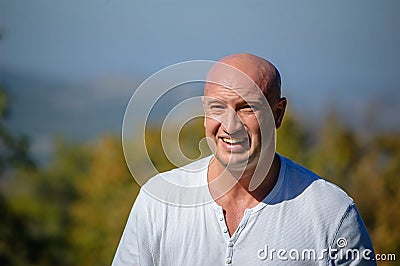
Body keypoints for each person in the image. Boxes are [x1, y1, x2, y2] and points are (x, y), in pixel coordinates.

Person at [112, 53, 376, 265]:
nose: (230, 125)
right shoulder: (159, 201)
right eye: (217, 107)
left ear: (278, 114)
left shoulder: (333, 213)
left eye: (246, 107)